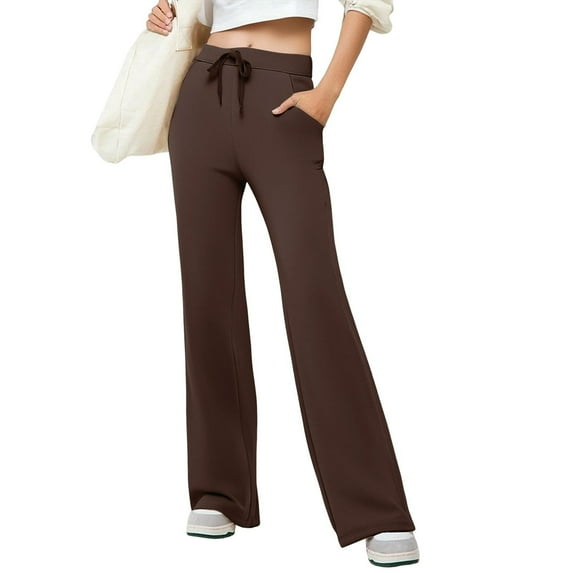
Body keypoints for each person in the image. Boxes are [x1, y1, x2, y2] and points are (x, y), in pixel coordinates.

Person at [146, 0, 419, 566]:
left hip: (284, 98)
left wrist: (327, 94)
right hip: (201, 93)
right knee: (207, 299)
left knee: (315, 297)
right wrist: (166, 14)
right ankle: (218, 492)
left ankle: (377, 511)